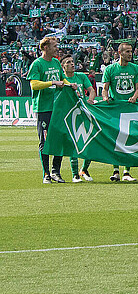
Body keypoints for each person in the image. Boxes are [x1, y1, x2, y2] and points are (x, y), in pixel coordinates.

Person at [28, 37, 75, 184]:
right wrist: (52, 82)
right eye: (55, 46)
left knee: (59, 140)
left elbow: (62, 79)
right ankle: (46, 173)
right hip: (44, 108)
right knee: (45, 140)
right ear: (45, 47)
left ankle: (56, 171)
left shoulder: (55, 62)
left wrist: (69, 84)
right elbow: (34, 85)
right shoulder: (37, 64)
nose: (57, 48)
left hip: (58, 107)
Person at [101, 42, 138, 181]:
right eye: (127, 52)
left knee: (129, 139)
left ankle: (126, 171)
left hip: (130, 108)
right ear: (120, 53)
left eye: (131, 51)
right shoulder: (110, 69)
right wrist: (106, 97)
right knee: (115, 139)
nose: (130, 54)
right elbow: (105, 88)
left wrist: (134, 97)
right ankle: (116, 171)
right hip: (116, 109)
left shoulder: (136, 68)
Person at [61, 55, 96, 182]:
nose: (72, 64)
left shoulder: (81, 76)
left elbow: (91, 90)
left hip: (83, 113)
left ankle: (84, 169)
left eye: (72, 62)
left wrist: (91, 99)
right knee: (72, 144)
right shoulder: (61, 79)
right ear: (63, 66)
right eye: (68, 62)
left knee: (91, 142)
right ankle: (74, 174)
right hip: (68, 115)